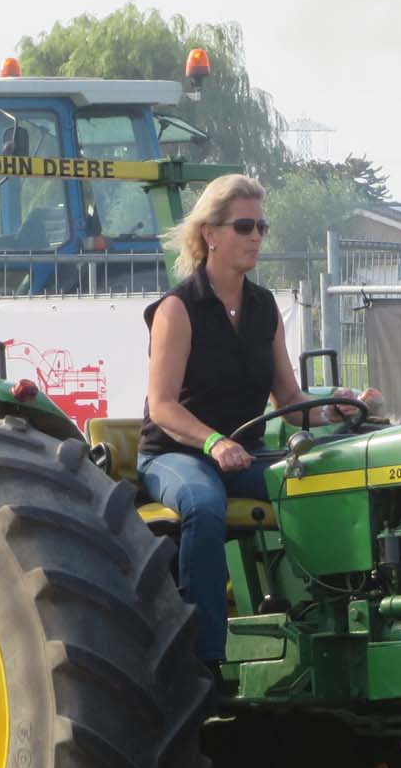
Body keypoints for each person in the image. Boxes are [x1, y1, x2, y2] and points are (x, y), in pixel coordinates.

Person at [138, 173, 370, 665]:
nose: (257, 237)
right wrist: (214, 444)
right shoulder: (177, 309)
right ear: (210, 234)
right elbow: (162, 406)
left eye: (261, 226)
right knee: (203, 503)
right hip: (176, 453)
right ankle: (203, 659)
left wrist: (336, 409)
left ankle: (332, 629)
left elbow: (289, 396)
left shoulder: (264, 307)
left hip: (242, 453)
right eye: (244, 226)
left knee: (324, 479)